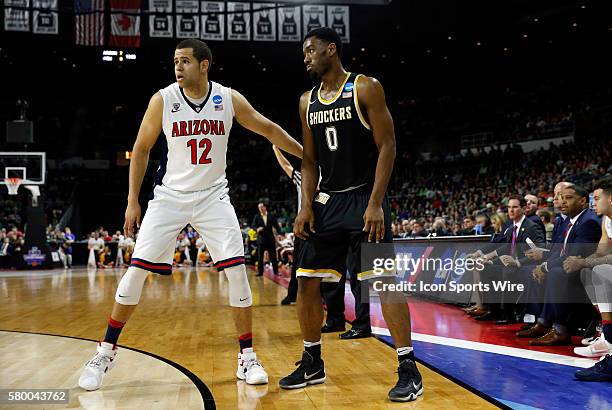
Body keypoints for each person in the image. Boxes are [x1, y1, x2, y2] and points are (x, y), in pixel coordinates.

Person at [78, 38, 303, 391]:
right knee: (134, 275)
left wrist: (307, 156)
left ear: (204, 65)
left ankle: (247, 357)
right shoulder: (163, 99)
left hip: (214, 196)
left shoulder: (227, 98)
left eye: (184, 61)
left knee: (238, 274)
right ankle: (104, 352)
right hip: (169, 197)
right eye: (175, 61)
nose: (177, 67)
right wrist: (132, 200)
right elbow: (140, 148)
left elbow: (269, 128)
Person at [279, 28, 423, 402]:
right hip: (328, 201)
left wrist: (376, 202)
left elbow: (388, 145)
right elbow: (309, 160)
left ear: (331, 49)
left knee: (384, 282)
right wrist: (305, 205)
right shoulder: (306, 101)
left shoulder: (365, 87)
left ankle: (408, 366)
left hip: (363, 198)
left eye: (311, 50)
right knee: (307, 281)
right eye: (303, 52)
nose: (306, 57)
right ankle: (312, 360)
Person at [272, 145, 300, 305]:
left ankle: (325, 299)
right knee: (297, 265)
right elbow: (286, 165)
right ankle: (292, 295)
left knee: (323, 269)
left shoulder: (329, 181)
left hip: (324, 227)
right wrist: (276, 147)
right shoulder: (301, 177)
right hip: (304, 228)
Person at [251, 202, 281, 276]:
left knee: (273, 256)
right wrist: (257, 229)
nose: (260, 209)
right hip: (261, 240)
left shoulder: (271, 216)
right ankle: (260, 272)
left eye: (261, 207)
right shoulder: (257, 216)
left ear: (265, 207)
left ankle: (276, 271)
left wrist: (279, 234)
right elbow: (253, 226)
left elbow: (277, 226)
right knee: (260, 257)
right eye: (259, 207)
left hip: (270, 239)